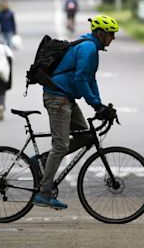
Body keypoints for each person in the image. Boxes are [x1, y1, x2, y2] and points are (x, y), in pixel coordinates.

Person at [32, 14, 119, 210]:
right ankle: (44, 193)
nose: (113, 37)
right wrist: (96, 105)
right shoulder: (88, 48)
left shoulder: (91, 48)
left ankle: (45, 159)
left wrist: (99, 104)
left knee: (87, 136)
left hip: (66, 98)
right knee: (61, 146)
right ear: (100, 33)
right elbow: (81, 80)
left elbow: (91, 80)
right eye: (111, 33)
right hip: (58, 99)